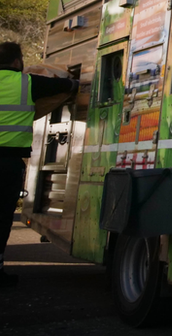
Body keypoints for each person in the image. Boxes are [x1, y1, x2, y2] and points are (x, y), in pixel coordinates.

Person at [0, 42, 78, 287]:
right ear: (16, 62)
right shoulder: (27, 83)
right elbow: (66, 85)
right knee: (2, 218)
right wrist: (76, 82)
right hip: (7, 164)